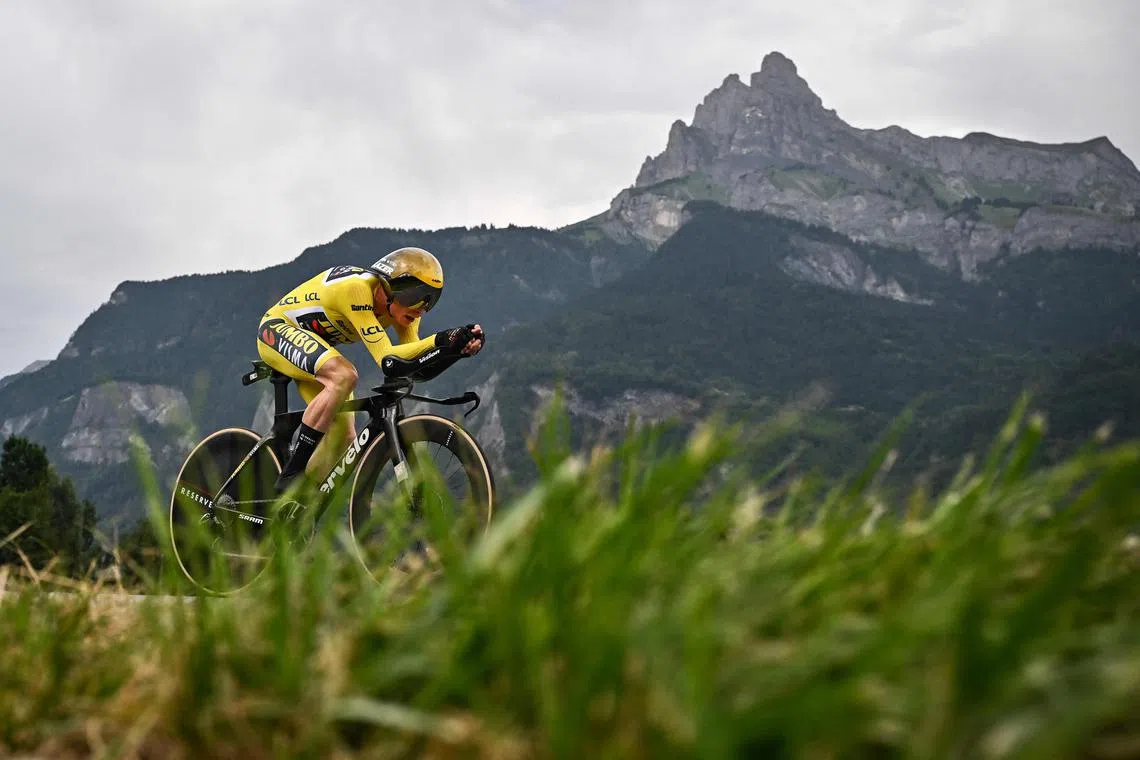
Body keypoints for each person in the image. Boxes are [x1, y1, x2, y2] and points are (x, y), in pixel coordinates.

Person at [256, 246, 484, 497]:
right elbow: (389, 360)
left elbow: (414, 369)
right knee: (344, 375)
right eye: (418, 296)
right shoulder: (357, 290)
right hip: (277, 329)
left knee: (344, 436)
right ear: (391, 289)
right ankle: (289, 479)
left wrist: (455, 351)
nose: (422, 307)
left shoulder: (405, 312)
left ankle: (292, 505)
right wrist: (442, 340)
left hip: (315, 345)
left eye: (431, 299)